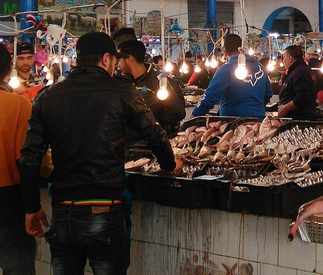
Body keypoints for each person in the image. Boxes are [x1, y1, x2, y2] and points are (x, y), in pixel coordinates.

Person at [18, 32, 182, 274]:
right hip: (104, 210)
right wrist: (170, 164)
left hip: (63, 211)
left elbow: (30, 158)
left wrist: (31, 207)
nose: (116, 65)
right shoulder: (122, 92)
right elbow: (154, 133)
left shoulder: (48, 97)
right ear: (106, 59)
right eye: (115, 60)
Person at [0, 47, 35, 275]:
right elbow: (27, 160)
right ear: (8, 69)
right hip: (8, 204)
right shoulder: (20, 105)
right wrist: (33, 207)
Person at [191, 34, 272, 119]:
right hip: (259, 124)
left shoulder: (225, 70)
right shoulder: (261, 68)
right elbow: (268, 94)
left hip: (233, 125)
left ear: (224, 52)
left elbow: (209, 98)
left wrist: (190, 120)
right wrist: (256, 109)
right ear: (242, 49)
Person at [118, 39, 186, 135]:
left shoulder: (158, 80)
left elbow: (178, 112)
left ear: (129, 58)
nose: (118, 64)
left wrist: (155, 122)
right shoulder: (125, 81)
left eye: (120, 59)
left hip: (155, 141)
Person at [277, 45, 317, 120]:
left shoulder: (300, 72)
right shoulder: (295, 70)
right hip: (292, 117)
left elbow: (303, 96)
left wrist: (285, 108)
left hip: (299, 119)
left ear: (290, 58)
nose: (283, 60)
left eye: (284, 57)